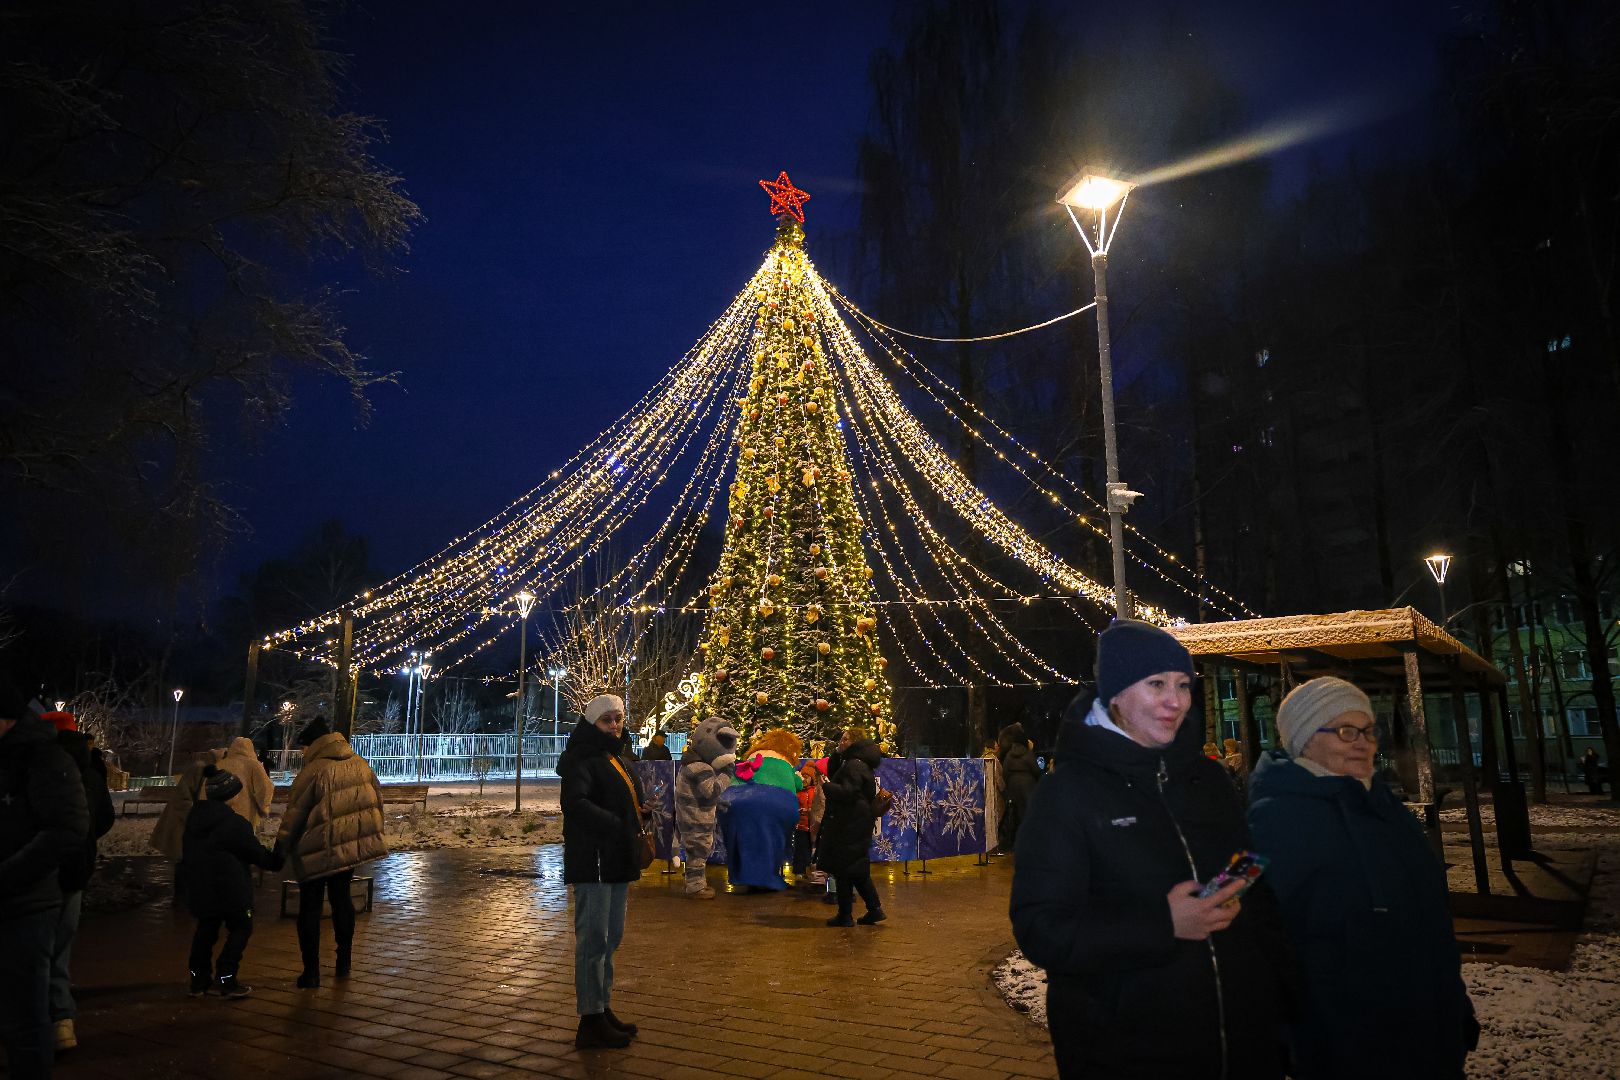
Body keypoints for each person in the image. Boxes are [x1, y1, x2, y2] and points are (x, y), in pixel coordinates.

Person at [1010, 619, 1288, 1079]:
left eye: (1183, 684)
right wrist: (1166, 924)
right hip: (1128, 1052)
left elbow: (1250, 870)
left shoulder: (1208, 779)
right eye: (1156, 683)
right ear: (1115, 694)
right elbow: (1042, 930)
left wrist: (1238, 883)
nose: (1176, 701)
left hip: (1243, 1043)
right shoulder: (1067, 793)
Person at [1249, 676, 1477, 1079]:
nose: (1364, 743)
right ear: (1304, 740)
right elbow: (1247, 929)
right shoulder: (1274, 819)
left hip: (1432, 1036)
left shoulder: (1386, 808)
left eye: (1369, 731)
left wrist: (1455, 1005)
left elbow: (1430, 920)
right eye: (1345, 731)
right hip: (1345, 1045)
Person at [0, 685, 89, 1079]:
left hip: (24, 906)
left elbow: (67, 829)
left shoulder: (44, 757)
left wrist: (6, 877)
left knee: (24, 1017)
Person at [276, 716, 386, 990]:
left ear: (312, 745)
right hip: (348, 849)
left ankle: (311, 972)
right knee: (342, 900)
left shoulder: (314, 770)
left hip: (316, 848)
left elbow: (295, 815)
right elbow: (377, 803)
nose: (302, 753)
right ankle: (343, 962)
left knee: (310, 908)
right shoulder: (360, 764)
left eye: (303, 747)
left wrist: (281, 848)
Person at [559, 695, 643, 1051]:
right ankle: (589, 1019)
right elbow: (575, 803)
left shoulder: (613, 756)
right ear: (592, 723)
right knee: (593, 941)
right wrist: (615, 824)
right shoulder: (582, 757)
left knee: (610, 940)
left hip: (614, 859)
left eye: (618, 719)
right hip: (594, 859)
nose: (615, 726)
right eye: (607, 720)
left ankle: (602, 1007)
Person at [41, 712, 112, 1054]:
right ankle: (61, 1021)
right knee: (61, 946)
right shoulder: (91, 773)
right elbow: (106, 819)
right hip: (76, 868)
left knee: (33, 945)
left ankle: (39, 1017)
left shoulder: (37, 767)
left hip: (40, 870)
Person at [182, 766, 283, 998]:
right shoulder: (233, 823)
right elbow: (255, 853)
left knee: (205, 931)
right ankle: (226, 978)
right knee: (241, 928)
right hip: (230, 890)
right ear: (232, 795)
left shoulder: (195, 819)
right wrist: (276, 860)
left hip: (202, 887)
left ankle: (198, 981)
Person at [816, 733, 885, 927]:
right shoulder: (856, 762)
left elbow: (848, 792)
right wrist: (837, 754)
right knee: (854, 868)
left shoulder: (854, 765)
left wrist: (827, 787)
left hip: (849, 822)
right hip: (855, 821)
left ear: (855, 743)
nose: (841, 741)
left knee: (845, 868)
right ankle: (871, 909)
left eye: (846, 739)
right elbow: (835, 771)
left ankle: (847, 914)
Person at [995, 722, 1040, 852]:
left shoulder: (1009, 756)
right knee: (1028, 816)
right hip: (1028, 787)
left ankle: (1014, 843)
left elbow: (1005, 772)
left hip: (1014, 788)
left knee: (1015, 814)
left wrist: (1009, 786)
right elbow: (1036, 770)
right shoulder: (1027, 754)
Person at [216, 736, 274, 832]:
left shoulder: (220, 764)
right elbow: (265, 787)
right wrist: (264, 807)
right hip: (245, 813)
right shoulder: (253, 765)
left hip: (220, 814)